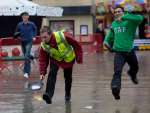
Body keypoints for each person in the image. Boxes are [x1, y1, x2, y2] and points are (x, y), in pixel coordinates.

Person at [103, 6, 144, 100]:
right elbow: (110, 35)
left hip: (130, 51)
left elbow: (140, 18)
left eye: (119, 11)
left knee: (135, 67)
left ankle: (132, 74)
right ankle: (115, 90)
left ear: (123, 12)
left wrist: (125, 17)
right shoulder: (114, 24)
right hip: (119, 53)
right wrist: (106, 41)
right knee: (117, 72)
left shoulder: (130, 21)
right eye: (115, 12)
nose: (117, 13)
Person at [39, 26, 83, 104]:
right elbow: (42, 60)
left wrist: (79, 58)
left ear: (50, 34)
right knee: (52, 74)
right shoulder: (43, 45)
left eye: (45, 37)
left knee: (68, 78)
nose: (43, 39)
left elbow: (76, 44)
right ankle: (48, 95)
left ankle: (67, 94)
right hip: (55, 59)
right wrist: (42, 72)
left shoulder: (63, 36)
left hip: (68, 59)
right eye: (42, 37)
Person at [15, 12, 37, 78]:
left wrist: (34, 36)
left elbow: (35, 30)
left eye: (25, 16)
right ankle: (32, 57)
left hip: (29, 41)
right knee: (26, 56)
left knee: (26, 56)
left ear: (28, 17)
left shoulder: (32, 24)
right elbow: (16, 32)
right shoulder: (19, 24)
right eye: (23, 16)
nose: (24, 17)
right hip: (22, 42)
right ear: (22, 17)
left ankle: (26, 72)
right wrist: (17, 36)